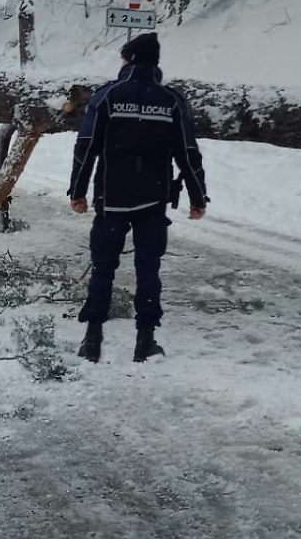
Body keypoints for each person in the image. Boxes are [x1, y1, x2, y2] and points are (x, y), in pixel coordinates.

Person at [68, 30, 208, 363]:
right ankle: (145, 341)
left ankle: (92, 341)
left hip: (112, 197)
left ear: (129, 60)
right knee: (148, 269)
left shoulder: (107, 96)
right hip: (153, 198)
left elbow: (86, 147)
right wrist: (197, 195)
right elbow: (188, 152)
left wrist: (78, 190)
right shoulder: (171, 101)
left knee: (103, 268)